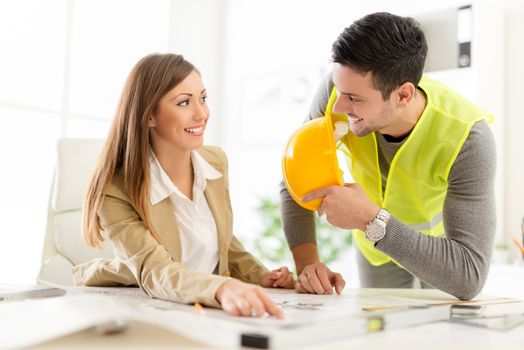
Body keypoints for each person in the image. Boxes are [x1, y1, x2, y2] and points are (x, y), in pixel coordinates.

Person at [280, 12, 496, 301]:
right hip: (374, 247)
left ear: (403, 96)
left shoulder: (470, 139)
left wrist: (371, 219)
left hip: (440, 253)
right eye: (340, 90)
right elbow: (295, 177)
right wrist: (308, 266)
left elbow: (468, 277)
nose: (339, 106)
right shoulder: (337, 92)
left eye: (355, 98)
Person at [74, 53, 294, 318]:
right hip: (140, 308)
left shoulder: (216, 163)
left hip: (200, 309)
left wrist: (260, 275)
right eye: (183, 102)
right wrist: (222, 288)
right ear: (149, 116)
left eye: (202, 98)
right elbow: (155, 270)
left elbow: (223, 242)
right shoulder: (114, 190)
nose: (201, 113)